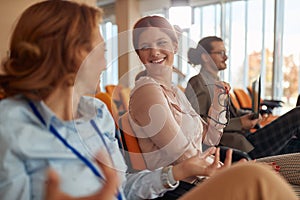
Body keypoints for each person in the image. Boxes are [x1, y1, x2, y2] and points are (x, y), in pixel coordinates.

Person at [0, 2, 298, 200]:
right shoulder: (8, 126)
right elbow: (192, 149)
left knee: (263, 173)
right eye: (97, 45)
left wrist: (182, 169)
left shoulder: (96, 114)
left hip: (187, 176)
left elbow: (127, 187)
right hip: (183, 187)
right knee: (258, 177)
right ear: (65, 52)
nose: (105, 59)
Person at [184, 36, 300, 159]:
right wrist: (240, 123)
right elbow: (197, 125)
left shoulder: (216, 81)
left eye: (225, 52)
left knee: (297, 146)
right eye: (221, 53)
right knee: (297, 114)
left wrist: (248, 115)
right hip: (240, 147)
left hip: (246, 139)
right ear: (205, 57)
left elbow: (229, 113)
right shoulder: (198, 83)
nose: (226, 57)